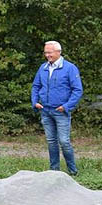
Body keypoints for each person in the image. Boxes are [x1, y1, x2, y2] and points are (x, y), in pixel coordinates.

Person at [31, 41, 83, 176]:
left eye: (50, 52)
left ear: (58, 52)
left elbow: (77, 90)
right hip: (45, 110)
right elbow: (36, 86)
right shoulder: (43, 68)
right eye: (45, 52)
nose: (47, 55)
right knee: (51, 141)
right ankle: (54, 170)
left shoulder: (70, 68)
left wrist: (66, 106)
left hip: (61, 111)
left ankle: (72, 171)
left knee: (64, 141)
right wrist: (35, 101)